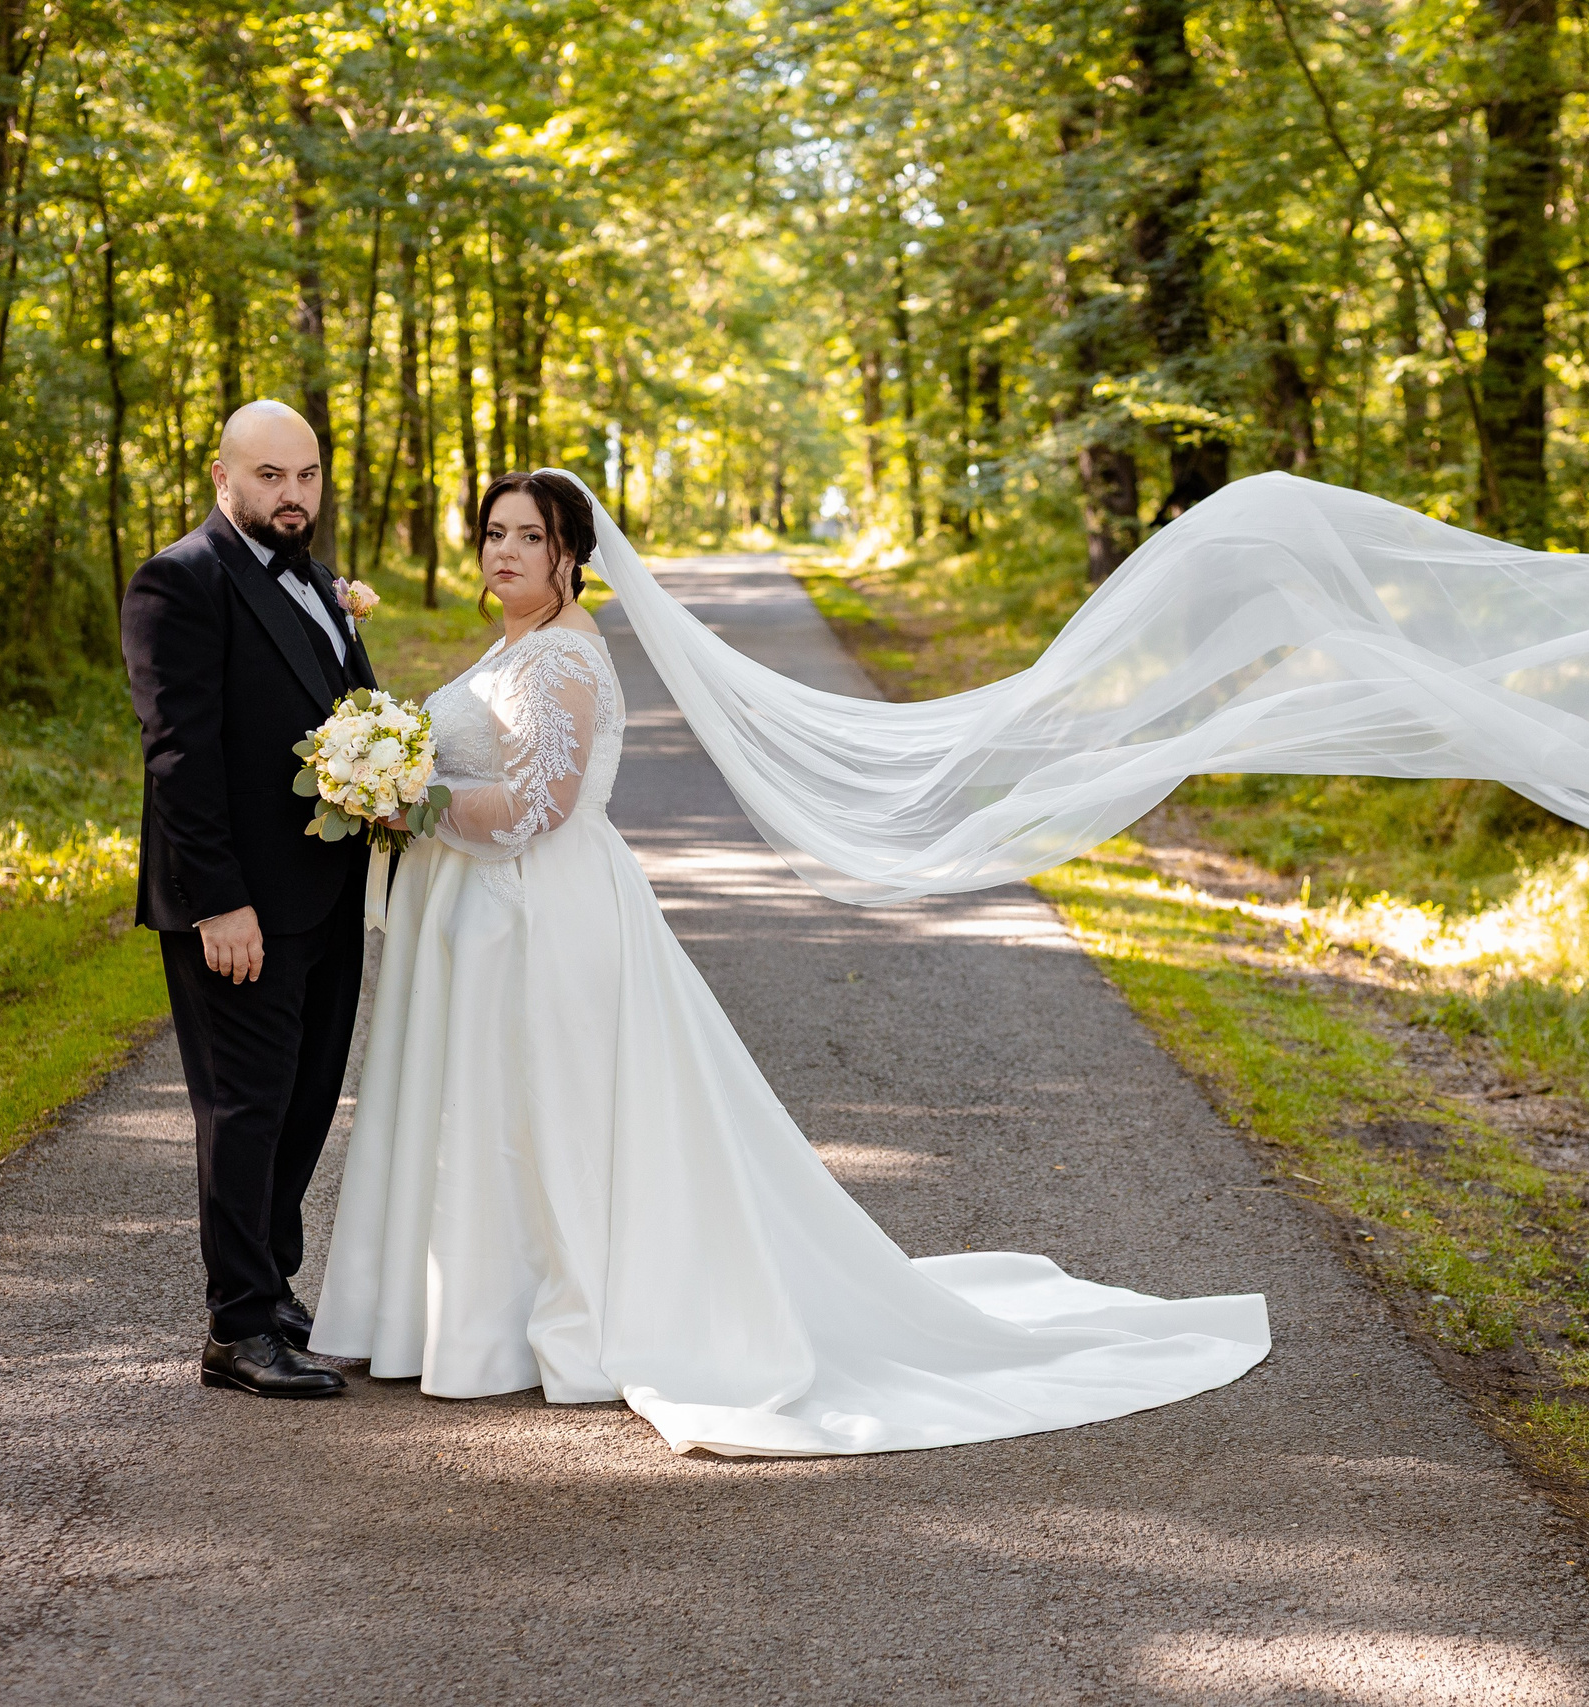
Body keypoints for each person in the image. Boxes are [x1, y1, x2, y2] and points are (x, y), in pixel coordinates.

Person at [309, 472, 1274, 1453]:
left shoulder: (558, 657)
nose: (505, 551)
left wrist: (410, 797)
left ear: (572, 557)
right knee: (493, 1103)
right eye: (493, 533)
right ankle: (473, 1317)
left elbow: (535, 808)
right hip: (488, 911)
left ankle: (531, 1321)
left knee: (544, 1105)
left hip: (538, 915)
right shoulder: (511, 646)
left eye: (530, 536)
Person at [122, 400, 378, 1401]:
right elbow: (179, 757)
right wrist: (218, 903)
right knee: (243, 1107)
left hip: (323, 893)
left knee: (305, 1102)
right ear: (221, 475)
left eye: (306, 474)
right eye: (270, 475)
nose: (292, 494)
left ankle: (270, 1285)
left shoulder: (318, 579)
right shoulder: (179, 580)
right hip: (239, 909)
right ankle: (235, 1327)